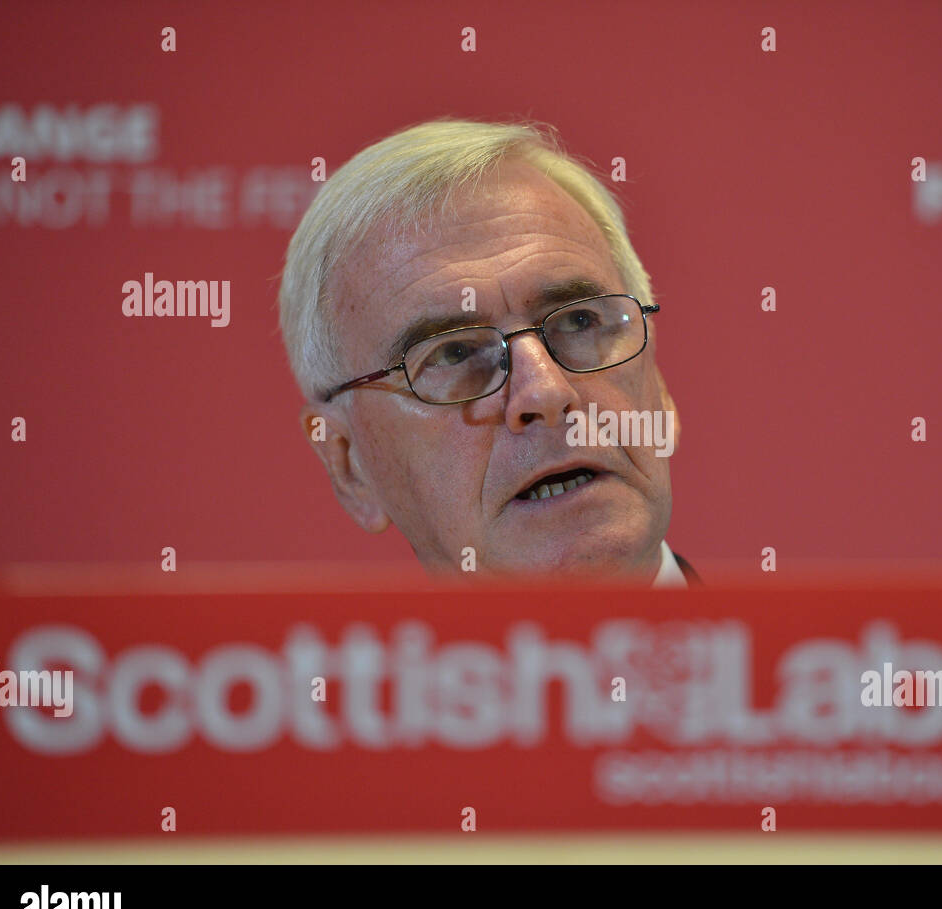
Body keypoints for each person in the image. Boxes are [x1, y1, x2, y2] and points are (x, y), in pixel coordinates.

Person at [278, 117, 698, 586]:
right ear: (349, 464)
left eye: (580, 321)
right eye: (455, 353)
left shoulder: (787, 657)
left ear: (659, 393)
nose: (544, 392)